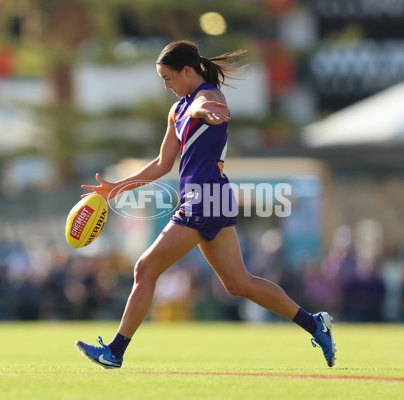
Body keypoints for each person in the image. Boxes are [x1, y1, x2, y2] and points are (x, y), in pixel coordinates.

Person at [75, 40, 336, 368]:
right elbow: (161, 163)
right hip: (210, 199)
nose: (166, 86)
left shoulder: (208, 98)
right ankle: (315, 324)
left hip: (205, 200)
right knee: (239, 283)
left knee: (145, 268)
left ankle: (115, 351)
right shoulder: (177, 109)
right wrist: (118, 187)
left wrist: (204, 112)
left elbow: (204, 105)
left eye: (168, 78)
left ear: (187, 70)